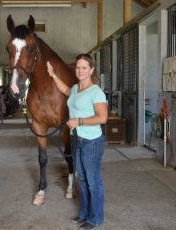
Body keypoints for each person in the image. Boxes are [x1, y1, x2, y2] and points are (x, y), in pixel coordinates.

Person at [47, 53, 108, 230]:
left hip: (91, 142)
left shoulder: (95, 91)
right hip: (77, 140)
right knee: (82, 178)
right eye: (78, 67)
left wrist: (78, 121)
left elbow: (102, 118)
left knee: (93, 181)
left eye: (84, 67)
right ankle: (84, 214)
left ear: (91, 70)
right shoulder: (75, 89)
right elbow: (65, 90)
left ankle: (95, 218)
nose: (80, 70)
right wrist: (53, 75)